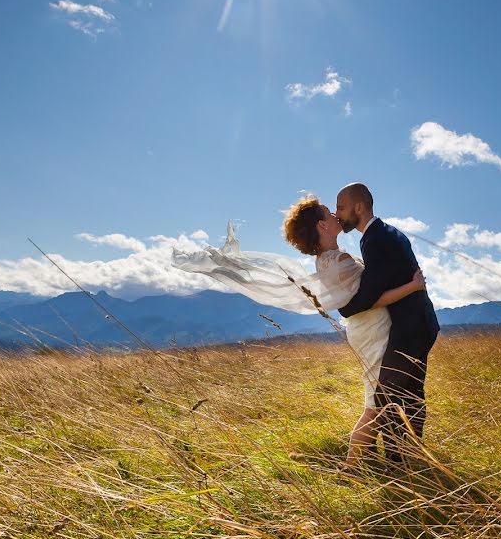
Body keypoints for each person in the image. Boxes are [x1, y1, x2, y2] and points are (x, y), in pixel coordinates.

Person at [170, 195, 425, 473]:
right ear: (322, 225)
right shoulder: (337, 261)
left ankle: (370, 462)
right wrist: (412, 287)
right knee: (376, 403)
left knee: (379, 397)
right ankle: (351, 468)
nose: (336, 215)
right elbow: (366, 301)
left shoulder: (329, 260)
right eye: (329, 212)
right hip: (371, 327)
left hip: (368, 328)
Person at [335, 183, 440, 464]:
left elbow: (368, 295)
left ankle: (395, 463)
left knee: (386, 399)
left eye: (341, 207)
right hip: (420, 325)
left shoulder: (375, 239)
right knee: (411, 394)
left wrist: (344, 308)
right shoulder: (387, 233)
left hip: (410, 330)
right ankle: (408, 457)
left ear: (359, 207)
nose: (337, 214)